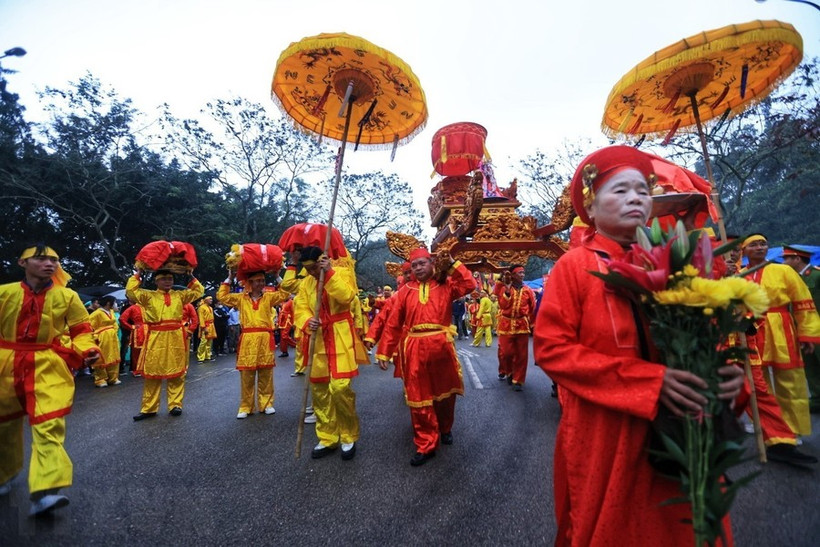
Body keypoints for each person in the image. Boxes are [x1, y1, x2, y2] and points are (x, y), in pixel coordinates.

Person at [533, 146, 746, 545]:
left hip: (681, 422)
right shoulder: (574, 267)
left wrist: (721, 373)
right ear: (591, 208)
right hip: (606, 431)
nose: (635, 198)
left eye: (643, 191)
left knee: (686, 525)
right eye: (620, 190)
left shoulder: (674, 260)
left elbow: (698, 335)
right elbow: (551, 349)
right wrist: (647, 382)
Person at [0, 243, 100, 516]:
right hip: (5, 364)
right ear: (22, 262)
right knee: (4, 426)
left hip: (47, 365)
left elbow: (81, 330)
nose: (49, 264)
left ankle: (46, 491)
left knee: (49, 424)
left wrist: (88, 350)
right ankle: (4, 473)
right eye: (41, 259)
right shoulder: (4, 293)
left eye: (54, 260)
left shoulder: (67, 296)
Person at [376, 248, 477, 466]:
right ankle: (426, 443)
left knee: (445, 394)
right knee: (417, 396)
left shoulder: (446, 285)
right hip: (414, 346)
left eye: (422, 263)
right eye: (414, 265)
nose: (418, 268)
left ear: (432, 264)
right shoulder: (405, 290)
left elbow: (470, 284)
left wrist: (453, 263)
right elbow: (393, 323)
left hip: (441, 345)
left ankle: (445, 427)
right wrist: (384, 351)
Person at [294, 246, 368, 461]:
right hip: (318, 340)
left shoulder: (341, 273)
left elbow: (347, 297)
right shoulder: (306, 283)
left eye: (314, 267)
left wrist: (329, 274)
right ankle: (327, 436)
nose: (311, 272)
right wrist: (308, 320)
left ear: (322, 261)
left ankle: (348, 435)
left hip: (339, 336)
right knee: (320, 391)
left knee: (340, 388)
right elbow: (300, 307)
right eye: (307, 269)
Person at [743, 234, 820, 437]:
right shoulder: (738, 275)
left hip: (781, 327)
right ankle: (767, 427)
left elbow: (803, 302)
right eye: (754, 245)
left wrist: (807, 334)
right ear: (744, 251)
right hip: (751, 330)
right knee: (757, 381)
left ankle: (793, 429)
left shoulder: (784, 270)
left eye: (763, 244)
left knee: (790, 380)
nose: (760, 247)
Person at [126, 268, 204, 420]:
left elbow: (199, 291)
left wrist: (191, 275)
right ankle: (149, 408)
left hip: (176, 337)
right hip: (156, 336)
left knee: (177, 372)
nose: (168, 281)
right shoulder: (148, 295)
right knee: (153, 372)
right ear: (156, 281)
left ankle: (175, 405)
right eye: (164, 279)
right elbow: (130, 291)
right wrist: (139, 272)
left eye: (170, 279)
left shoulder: (180, 295)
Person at [217, 270, 290, 418]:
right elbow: (222, 296)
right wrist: (230, 277)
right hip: (248, 338)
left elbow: (285, 294)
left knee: (266, 372)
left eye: (263, 280)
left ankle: (266, 404)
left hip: (264, 337)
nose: (261, 283)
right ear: (250, 283)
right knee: (247, 374)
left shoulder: (269, 297)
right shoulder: (241, 298)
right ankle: (246, 406)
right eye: (258, 280)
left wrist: (277, 276)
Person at [782, 245, 820, 413]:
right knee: (810, 365)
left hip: (817, 327)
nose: (784, 262)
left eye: (786, 258)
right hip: (802, 329)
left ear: (797, 259)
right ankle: (817, 398)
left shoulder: (816, 276)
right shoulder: (792, 279)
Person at [493, 265, 536, 391]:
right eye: (520, 273)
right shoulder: (504, 288)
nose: (522, 275)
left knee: (522, 354)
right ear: (512, 275)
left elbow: (532, 308)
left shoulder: (528, 290)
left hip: (522, 325)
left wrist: (534, 325)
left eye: (523, 272)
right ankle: (509, 371)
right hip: (506, 324)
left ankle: (518, 380)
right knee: (506, 353)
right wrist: (507, 291)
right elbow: (503, 305)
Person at [88, 295, 122, 387]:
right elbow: (89, 326)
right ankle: (101, 379)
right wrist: (95, 336)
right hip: (102, 338)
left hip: (112, 338)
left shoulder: (111, 312)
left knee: (114, 356)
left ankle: (113, 378)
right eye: (114, 302)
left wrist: (114, 331)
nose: (115, 304)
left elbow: (115, 324)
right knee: (102, 357)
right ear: (108, 303)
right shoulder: (97, 313)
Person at [119, 297, 146, 377]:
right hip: (141, 330)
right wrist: (131, 327)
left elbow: (122, 319)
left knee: (144, 351)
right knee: (137, 351)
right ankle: (137, 370)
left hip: (145, 330)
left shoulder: (146, 307)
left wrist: (131, 327)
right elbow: (122, 319)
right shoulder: (134, 307)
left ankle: (141, 369)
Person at [196, 296, 216, 363]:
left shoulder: (210, 308)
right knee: (203, 341)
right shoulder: (201, 308)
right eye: (210, 299)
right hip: (205, 326)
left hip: (211, 326)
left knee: (209, 342)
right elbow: (201, 319)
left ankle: (208, 356)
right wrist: (204, 328)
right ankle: (200, 357)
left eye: (211, 299)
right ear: (205, 300)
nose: (211, 300)